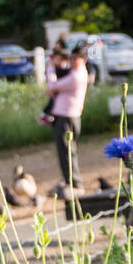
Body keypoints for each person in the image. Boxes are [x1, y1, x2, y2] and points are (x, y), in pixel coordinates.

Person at [46, 44, 89, 197]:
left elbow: (52, 86)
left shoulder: (76, 76)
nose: (71, 61)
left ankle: (75, 183)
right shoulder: (75, 73)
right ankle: (69, 180)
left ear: (83, 60)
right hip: (65, 115)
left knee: (67, 151)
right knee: (65, 151)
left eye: (74, 58)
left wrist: (50, 68)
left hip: (67, 117)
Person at [38, 43, 69, 125]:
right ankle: (45, 115)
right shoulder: (52, 68)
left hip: (59, 89)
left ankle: (49, 116)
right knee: (52, 101)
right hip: (55, 89)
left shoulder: (60, 67)